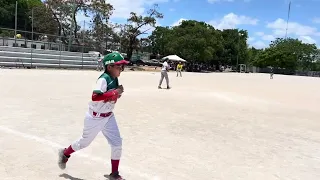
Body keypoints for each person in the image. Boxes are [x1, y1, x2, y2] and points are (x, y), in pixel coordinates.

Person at [58, 52, 129, 180]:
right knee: (84, 143)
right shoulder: (103, 79)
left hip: (108, 116)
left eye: (121, 67)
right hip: (95, 118)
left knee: (117, 143)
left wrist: (116, 94)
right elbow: (95, 96)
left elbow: (110, 97)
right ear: (109, 67)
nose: (121, 69)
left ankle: (114, 173)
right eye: (118, 66)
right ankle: (65, 153)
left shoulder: (115, 79)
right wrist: (114, 92)